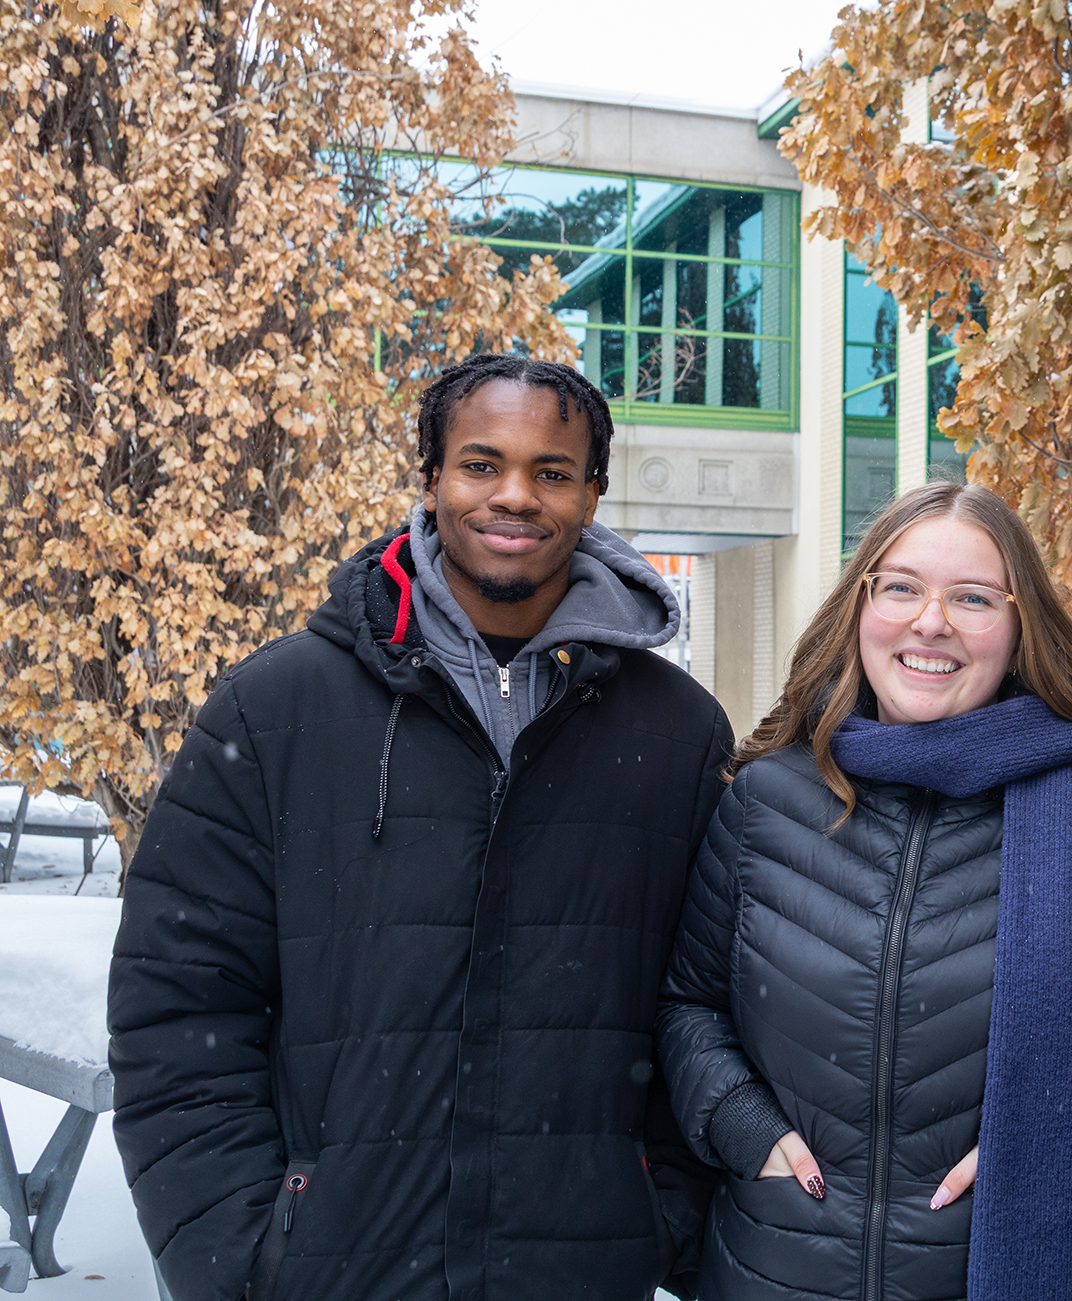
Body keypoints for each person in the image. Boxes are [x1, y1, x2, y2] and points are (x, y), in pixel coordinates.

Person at [108, 354, 733, 1301]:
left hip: (578, 1270)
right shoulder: (274, 710)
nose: (514, 495)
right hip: (329, 1276)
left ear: (592, 495)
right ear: (432, 479)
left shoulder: (678, 734)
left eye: (552, 471)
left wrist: (656, 1216)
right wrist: (242, 1254)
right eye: (481, 464)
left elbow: (703, 1004)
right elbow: (179, 1004)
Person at [659, 480, 1072, 1301]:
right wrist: (740, 1121)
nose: (931, 622)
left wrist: (1049, 1145)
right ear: (860, 606)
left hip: (991, 1268)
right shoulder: (767, 798)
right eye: (900, 587)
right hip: (771, 1269)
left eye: (973, 597)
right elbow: (689, 1003)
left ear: (1020, 627)